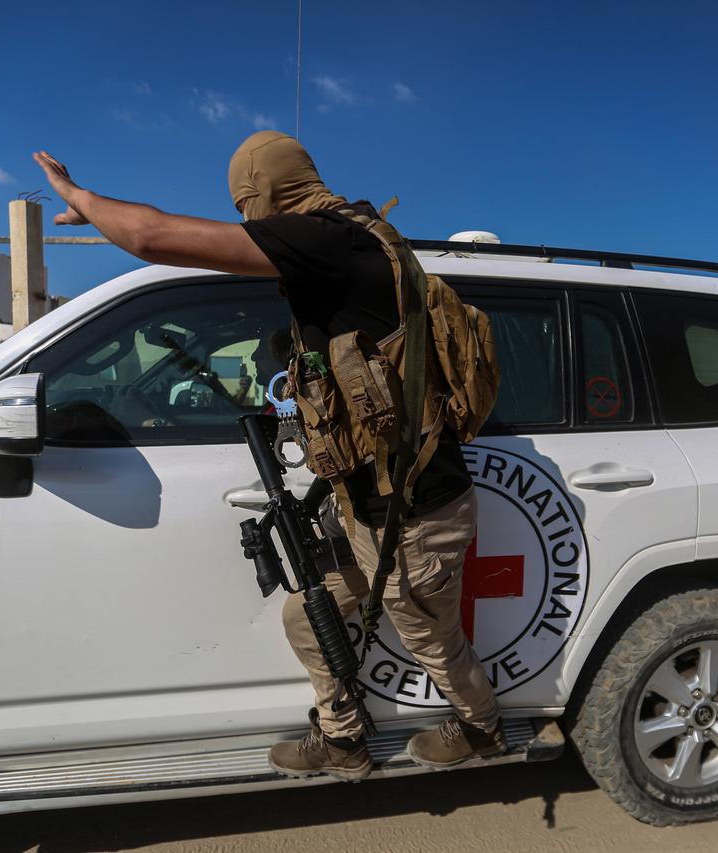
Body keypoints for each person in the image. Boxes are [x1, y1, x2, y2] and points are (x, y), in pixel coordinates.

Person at [32, 133, 503, 782]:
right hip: (371, 507)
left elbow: (151, 235)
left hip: (413, 514)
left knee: (432, 641)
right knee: (306, 615)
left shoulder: (328, 240)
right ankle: (343, 740)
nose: (249, 219)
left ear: (265, 192)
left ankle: (481, 728)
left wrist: (83, 198)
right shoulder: (359, 238)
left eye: (244, 203)